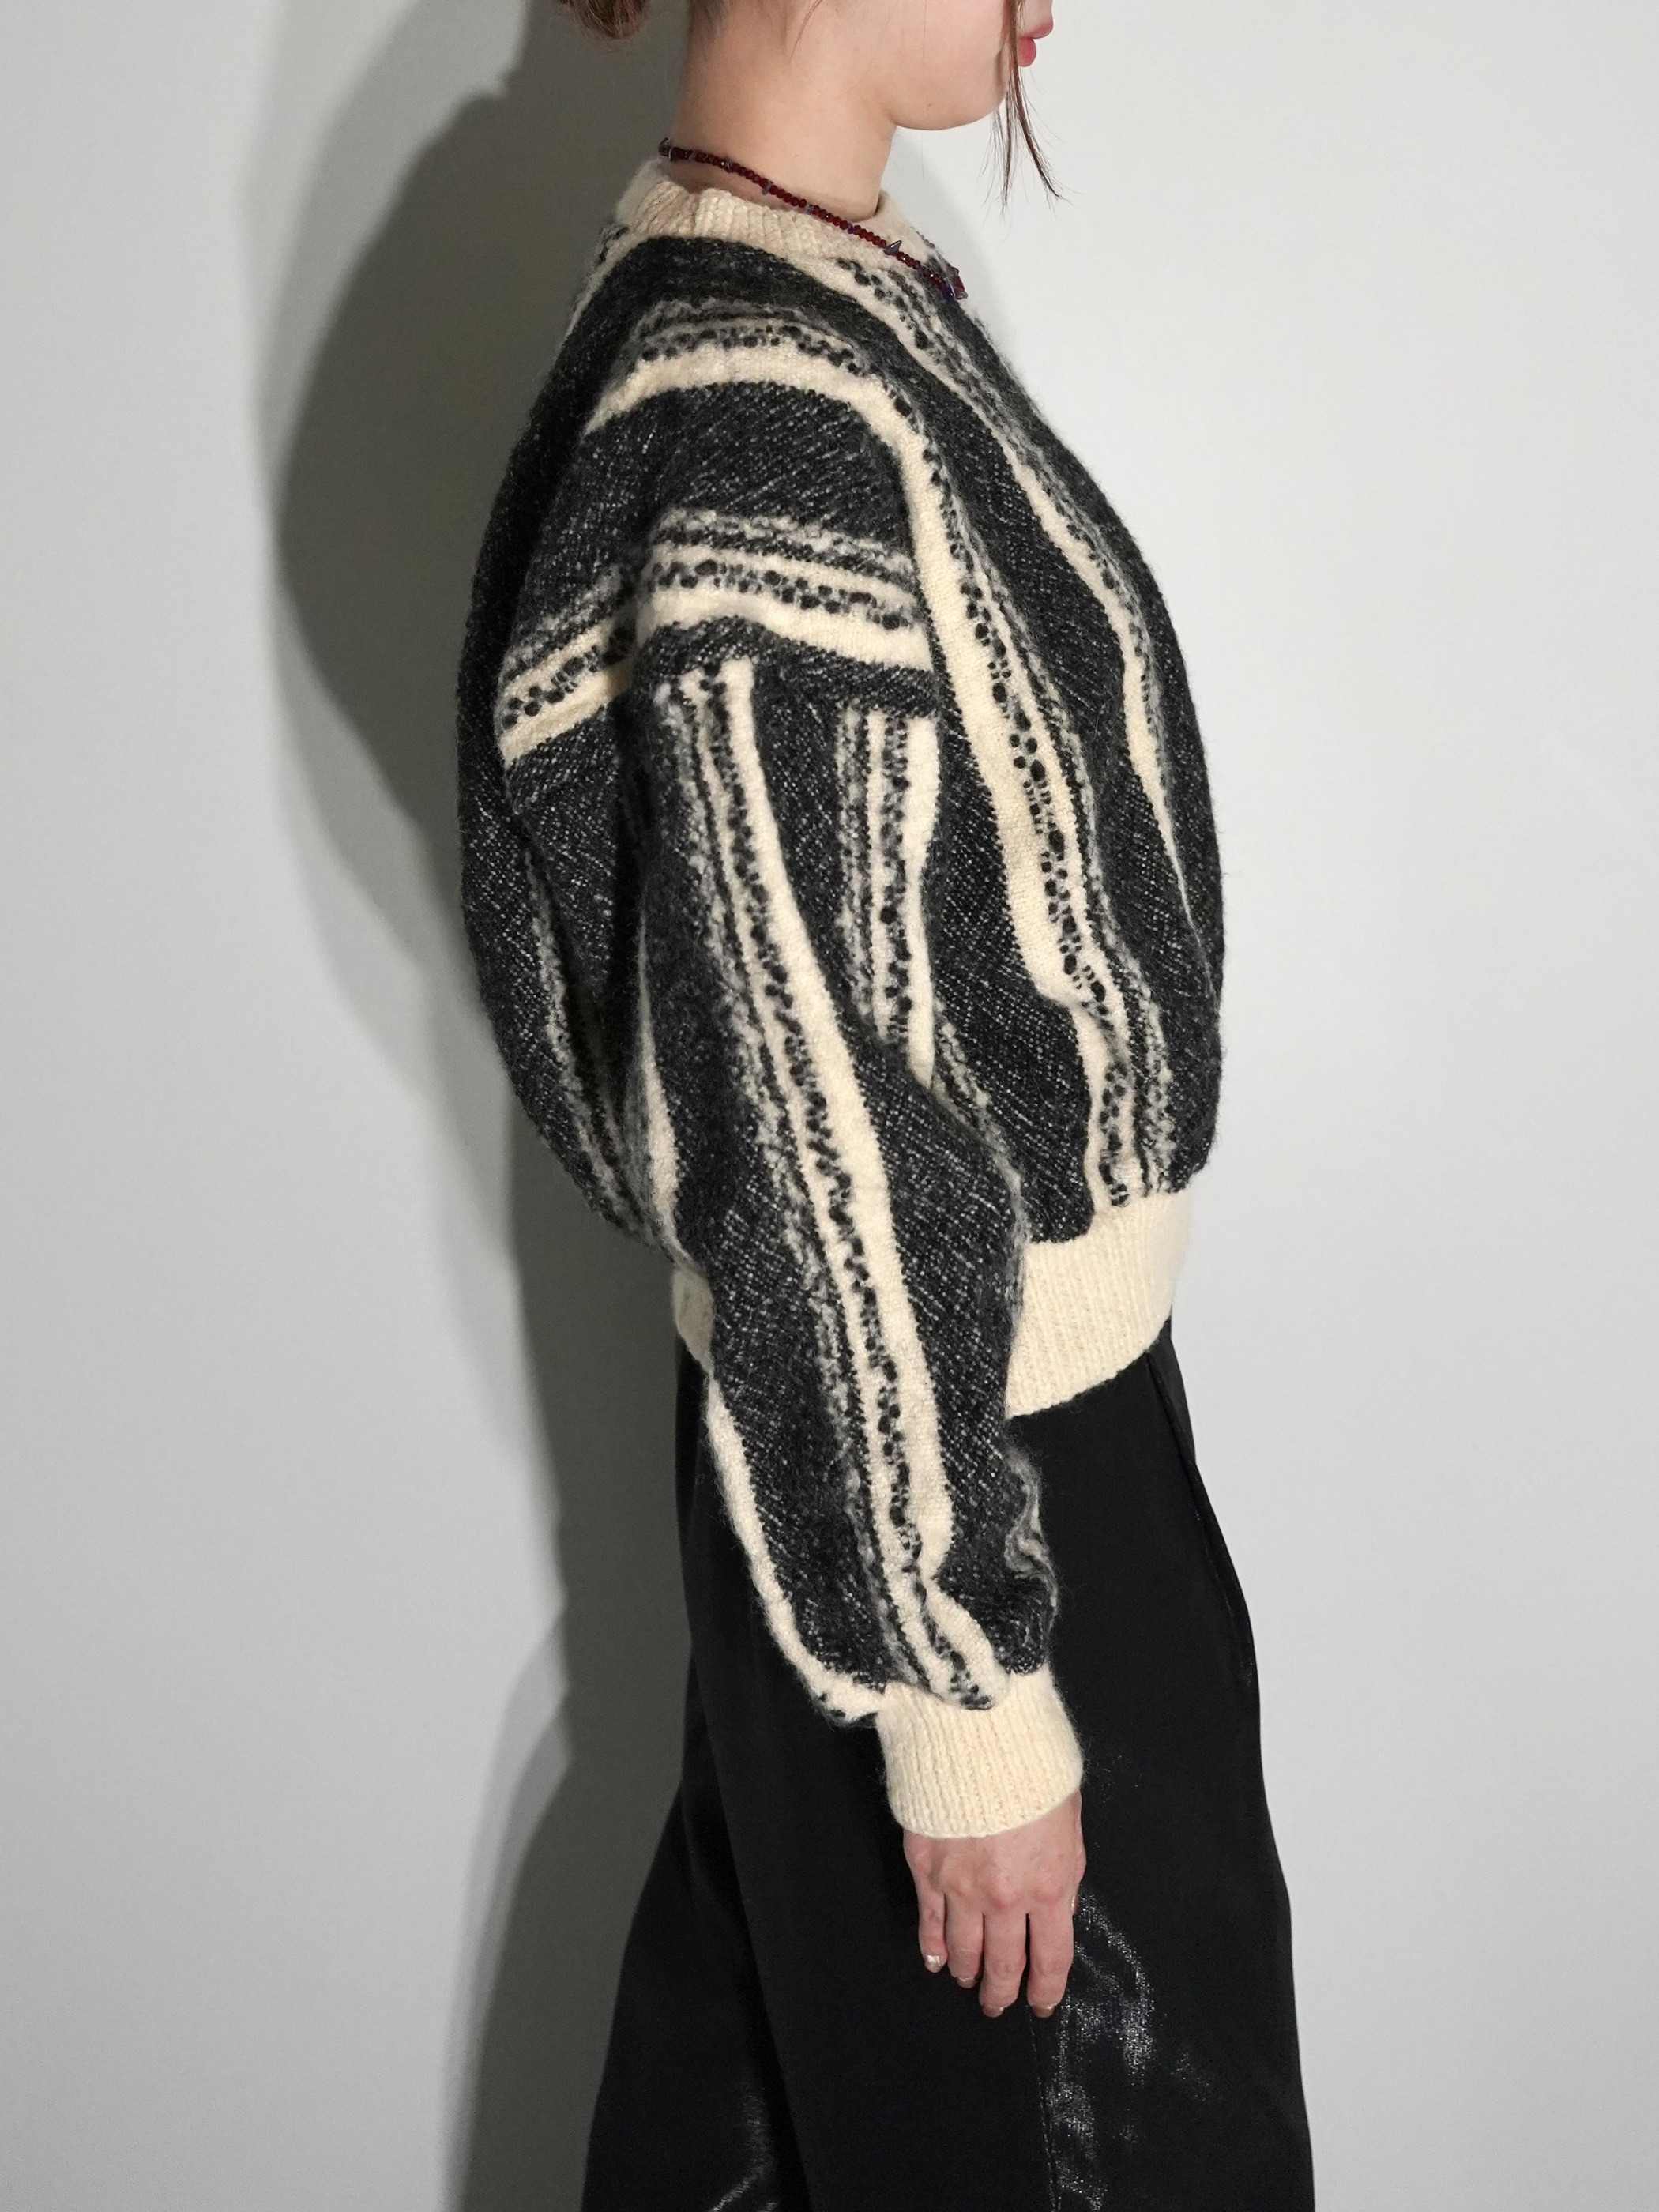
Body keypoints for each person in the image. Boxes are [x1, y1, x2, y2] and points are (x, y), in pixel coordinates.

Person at [456, 0, 1315, 2201]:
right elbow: (796, 1103)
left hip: (920, 1457)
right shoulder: (757, 405)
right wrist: (954, 1690)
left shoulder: (799, 296)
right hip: (962, 1487)